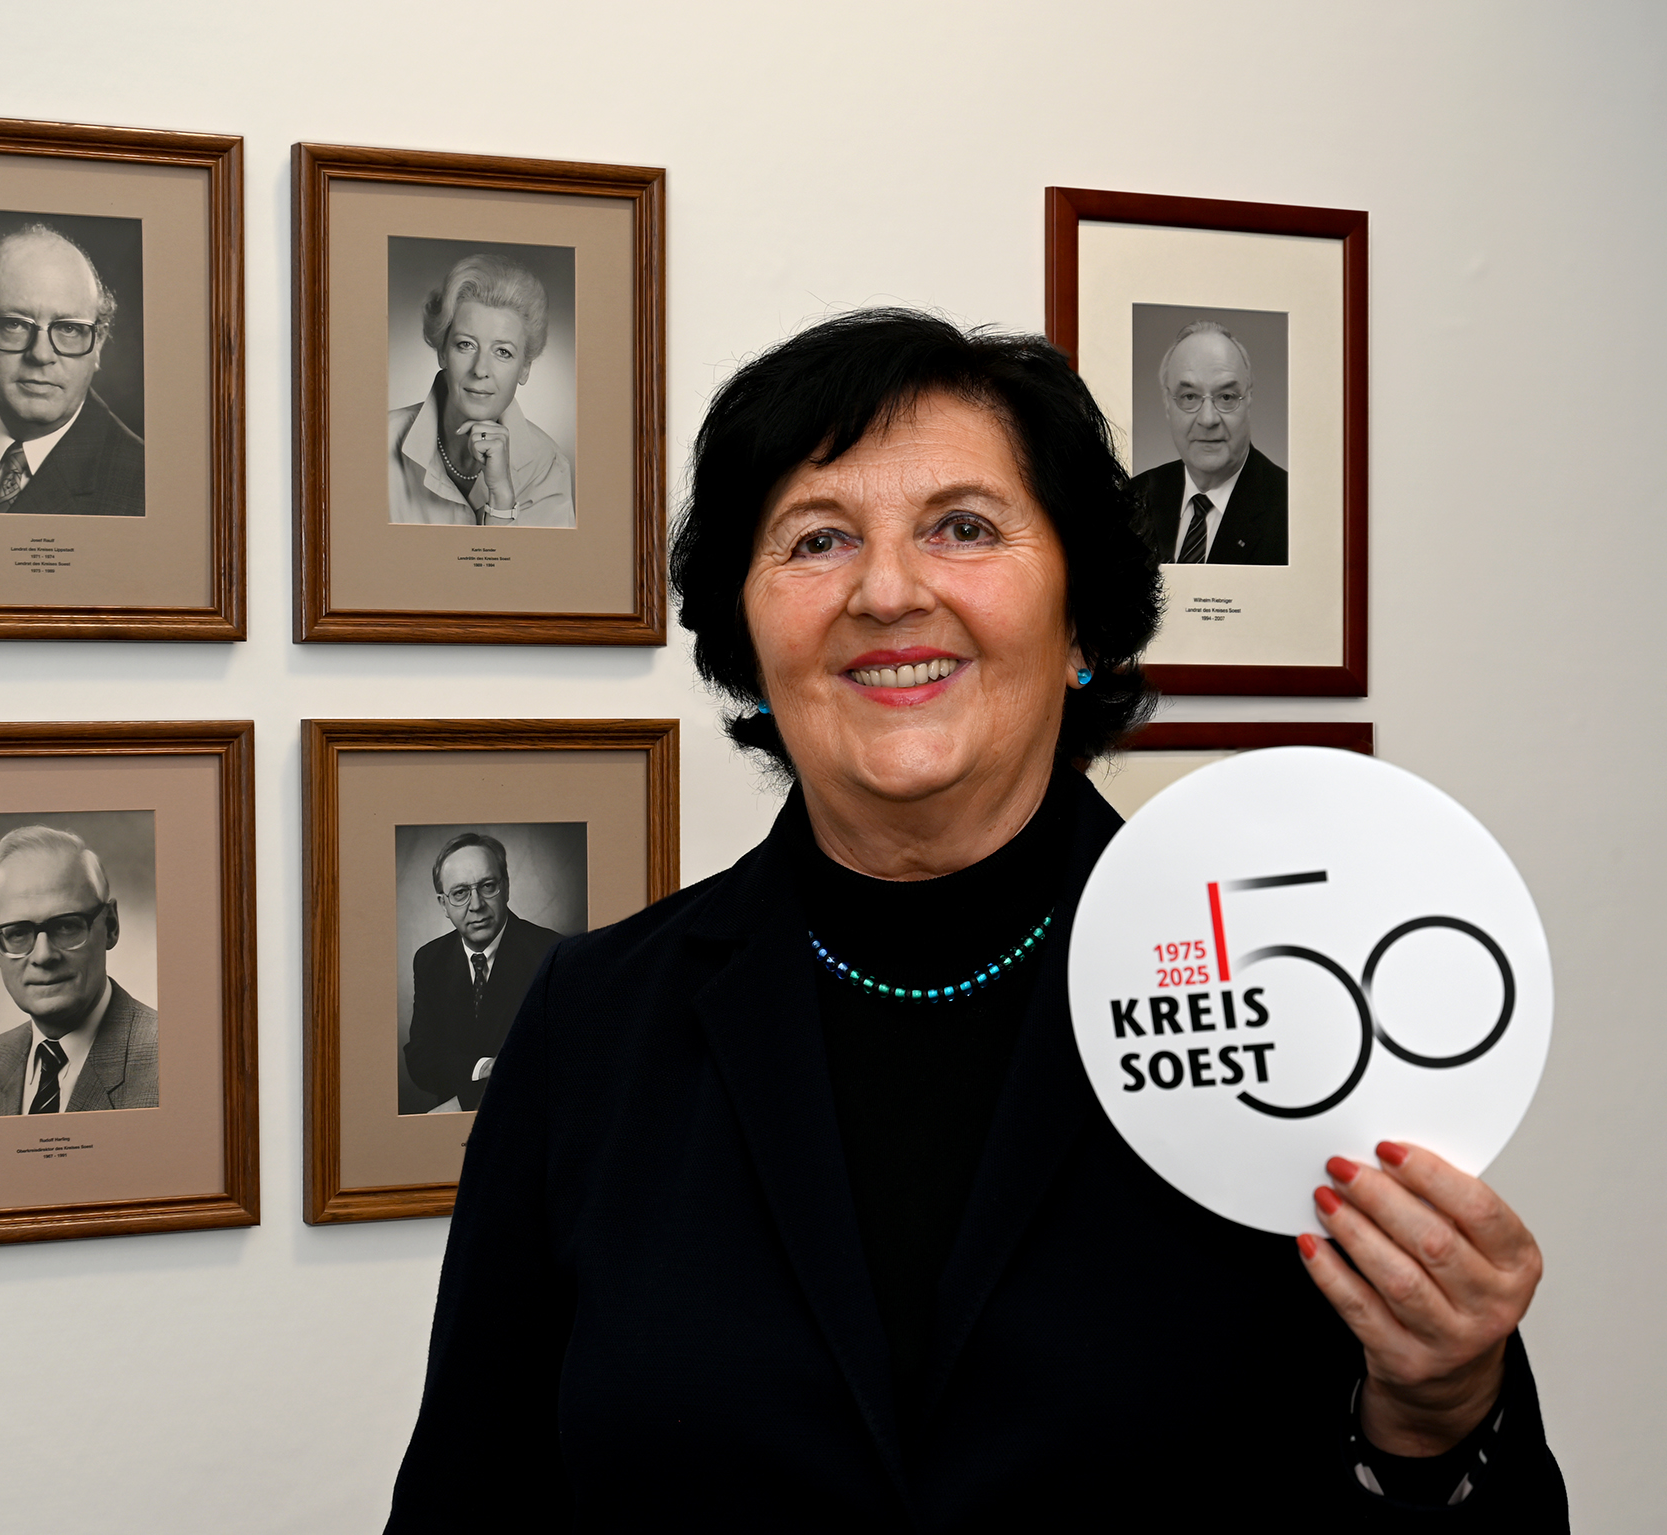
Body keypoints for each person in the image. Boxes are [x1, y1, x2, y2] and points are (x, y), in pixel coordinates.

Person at [385, 310, 1563, 1527]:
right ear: (746, 638)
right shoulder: (591, 1023)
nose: (887, 590)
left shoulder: (1296, 992)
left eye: (962, 527)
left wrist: (1434, 1419)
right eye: (817, 538)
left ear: (1081, 621)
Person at [0, 223, 145, 517]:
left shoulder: (143, 486)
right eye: (14, 324)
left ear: (97, 344)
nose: (41, 354)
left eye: (69, 328)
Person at [0, 826, 158, 1118]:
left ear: (110, 926)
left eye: (66, 926)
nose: (44, 955)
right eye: (18, 933)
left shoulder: (172, 1061)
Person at [387, 253, 575, 527]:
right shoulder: (378, 444)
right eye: (466, 345)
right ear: (442, 352)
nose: (480, 369)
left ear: (524, 369)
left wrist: (501, 498)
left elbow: (540, 559)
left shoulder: (549, 466)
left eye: (503, 352)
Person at [402, 833, 564, 1113]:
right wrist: (482, 1068)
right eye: (460, 893)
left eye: (487, 886)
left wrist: (466, 1100)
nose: (476, 905)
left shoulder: (553, 954)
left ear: (506, 888)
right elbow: (421, 1057)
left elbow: (555, 1062)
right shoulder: (429, 960)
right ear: (443, 904)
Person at [1129, 320, 1286, 565]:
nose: (1208, 419)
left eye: (1226, 397)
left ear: (1249, 401)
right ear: (1168, 405)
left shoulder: (1292, 510)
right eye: (1189, 396)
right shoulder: (1133, 499)